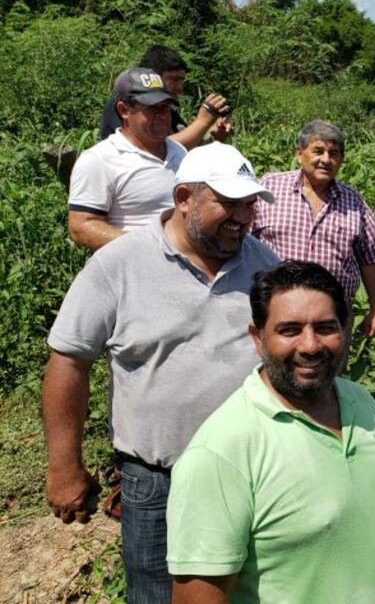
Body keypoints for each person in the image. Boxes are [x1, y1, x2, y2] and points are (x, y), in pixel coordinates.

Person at [42, 142, 279, 604]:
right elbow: (69, 362)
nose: (243, 217)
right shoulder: (119, 264)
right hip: (157, 479)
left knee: (249, 591)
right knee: (155, 594)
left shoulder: (264, 266)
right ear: (184, 197)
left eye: (249, 205)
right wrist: (64, 466)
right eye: (228, 203)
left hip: (252, 473)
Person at [167, 261, 375, 603]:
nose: (310, 345)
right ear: (258, 338)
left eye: (325, 327)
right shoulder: (221, 451)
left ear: (345, 330)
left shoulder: (359, 400)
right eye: (290, 330)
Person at [252, 120, 375, 337]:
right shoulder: (269, 187)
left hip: (332, 317)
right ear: (299, 154)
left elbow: (370, 260)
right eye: (318, 151)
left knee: (327, 370)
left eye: (334, 153)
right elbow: (242, 240)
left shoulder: (353, 201)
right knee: (270, 367)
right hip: (275, 308)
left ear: (341, 160)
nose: (326, 159)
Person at [69, 67, 191, 251]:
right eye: (152, 108)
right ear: (124, 110)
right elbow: (81, 227)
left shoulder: (179, 151)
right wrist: (149, 247)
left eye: (166, 107)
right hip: (135, 268)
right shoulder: (99, 160)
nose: (163, 115)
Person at [99, 44, 233, 149]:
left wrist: (214, 137)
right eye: (174, 79)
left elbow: (186, 153)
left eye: (182, 81)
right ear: (152, 76)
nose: (180, 88)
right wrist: (202, 122)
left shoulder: (170, 114)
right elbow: (157, 149)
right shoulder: (126, 105)